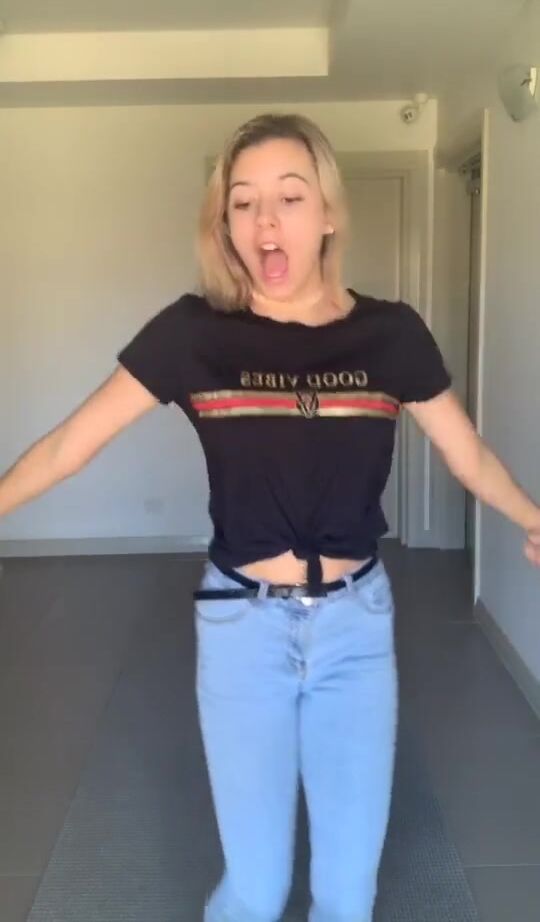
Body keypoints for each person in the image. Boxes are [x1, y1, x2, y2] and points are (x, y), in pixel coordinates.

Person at [0, 113, 539, 922]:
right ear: (224, 223)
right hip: (241, 629)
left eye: (289, 197)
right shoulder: (193, 334)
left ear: (327, 213)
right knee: (254, 891)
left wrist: (532, 516)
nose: (265, 222)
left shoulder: (391, 335)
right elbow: (67, 446)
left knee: (347, 897)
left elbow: (469, 456)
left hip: (356, 627)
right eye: (243, 202)